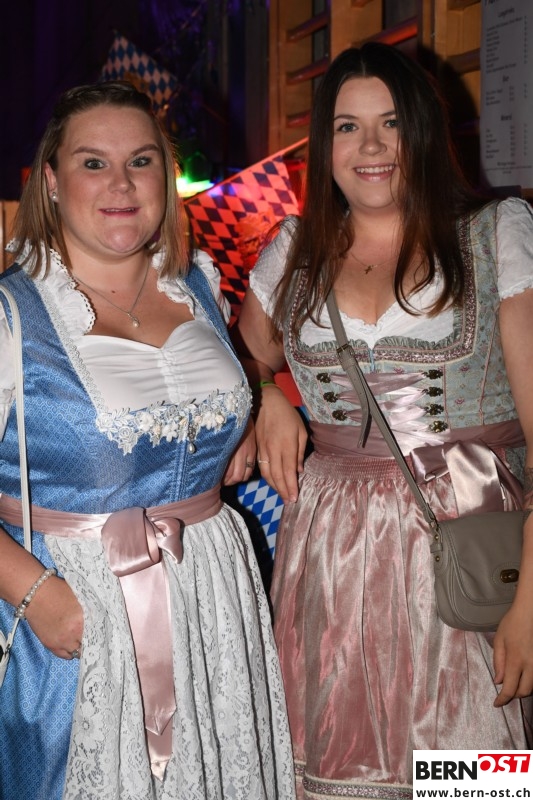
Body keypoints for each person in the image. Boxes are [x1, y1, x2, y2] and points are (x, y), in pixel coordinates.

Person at [232, 43, 533, 799]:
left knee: (473, 776)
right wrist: (265, 392)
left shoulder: (495, 234)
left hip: (464, 551)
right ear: (324, 144)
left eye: (390, 122)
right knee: (339, 771)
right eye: (346, 126)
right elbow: (239, 353)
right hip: (329, 559)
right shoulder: (293, 250)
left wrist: (531, 600)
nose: (369, 146)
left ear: (423, 130)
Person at [0, 80, 295, 800]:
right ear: (51, 181)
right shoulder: (11, 313)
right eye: (93, 163)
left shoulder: (196, 283)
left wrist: (260, 401)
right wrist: (35, 594)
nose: (121, 183)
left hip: (211, 595)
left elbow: (216, 384)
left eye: (141, 160)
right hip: (78, 603)